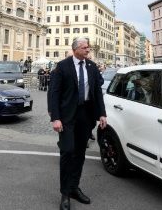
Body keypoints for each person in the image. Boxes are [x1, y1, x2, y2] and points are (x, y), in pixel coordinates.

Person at [48, 37, 107, 210]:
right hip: (67, 116)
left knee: (80, 153)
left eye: (88, 47)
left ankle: (74, 187)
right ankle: (65, 193)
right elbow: (54, 93)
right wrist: (55, 117)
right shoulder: (62, 66)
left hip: (85, 115)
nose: (88, 50)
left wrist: (102, 114)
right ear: (75, 49)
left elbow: (97, 92)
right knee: (67, 151)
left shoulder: (92, 66)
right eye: (85, 47)